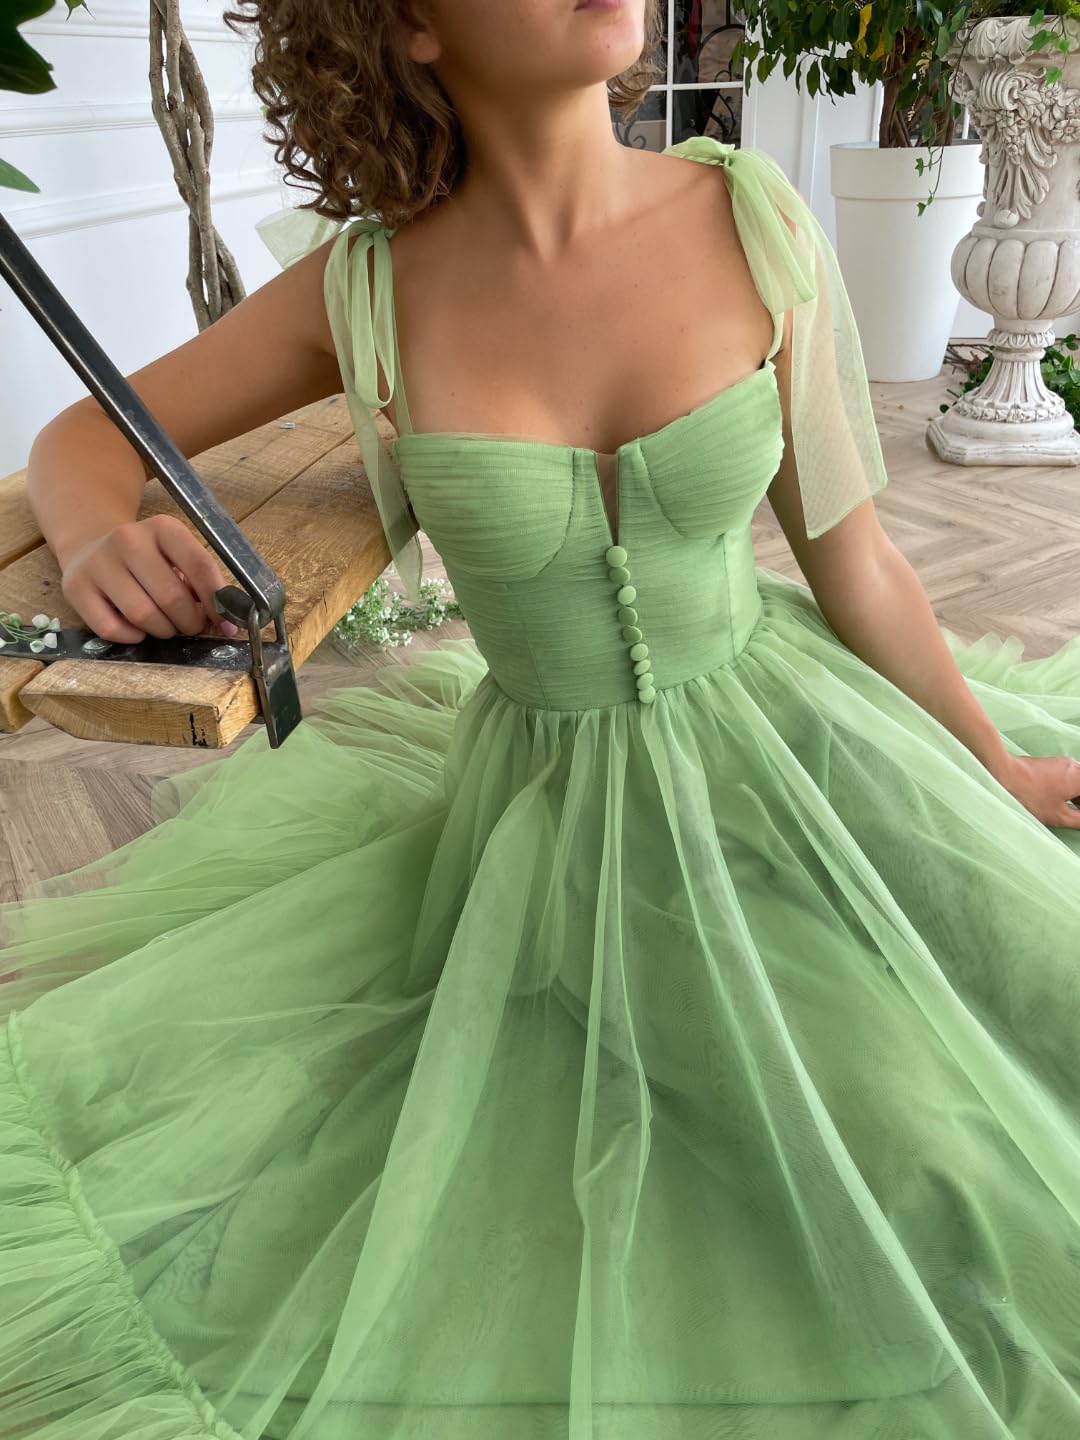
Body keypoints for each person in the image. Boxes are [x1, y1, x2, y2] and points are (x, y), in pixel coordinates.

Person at [2, 1, 1080, 1437]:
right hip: (566, 839)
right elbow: (83, 434)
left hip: (808, 743)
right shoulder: (367, 290)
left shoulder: (751, 216)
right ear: (411, 27)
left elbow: (858, 559)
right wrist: (94, 541)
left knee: (1034, 1028)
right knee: (917, 1168)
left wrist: (991, 768)